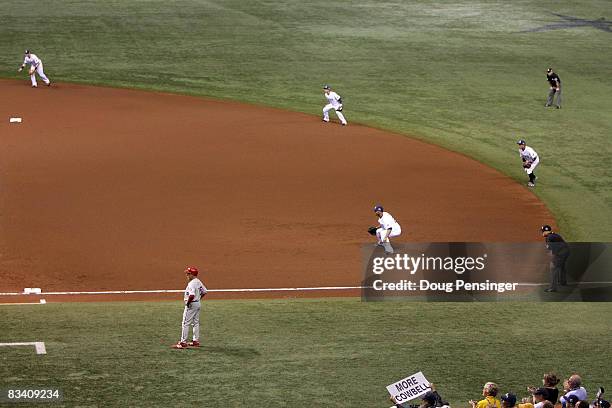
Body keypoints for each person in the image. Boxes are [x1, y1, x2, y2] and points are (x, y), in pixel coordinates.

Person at [171, 266, 207, 349]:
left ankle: (183, 342)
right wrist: (198, 299)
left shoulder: (191, 284)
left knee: (185, 323)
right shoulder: (198, 281)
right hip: (197, 303)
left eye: (188, 273)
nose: (187, 275)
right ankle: (195, 341)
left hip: (191, 305)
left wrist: (188, 303)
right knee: (196, 322)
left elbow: (191, 295)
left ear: (193, 275)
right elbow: (205, 291)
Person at [541, 225, 570, 292]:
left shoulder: (549, 237)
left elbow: (552, 250)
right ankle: (563, 282)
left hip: (561, 253)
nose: (542, 233)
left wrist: (552, 258)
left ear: (546, 231)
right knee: (561, 266)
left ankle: (552, 288)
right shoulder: (554, 235)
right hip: (566, 251)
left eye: (543, 231)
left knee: (553, 267)